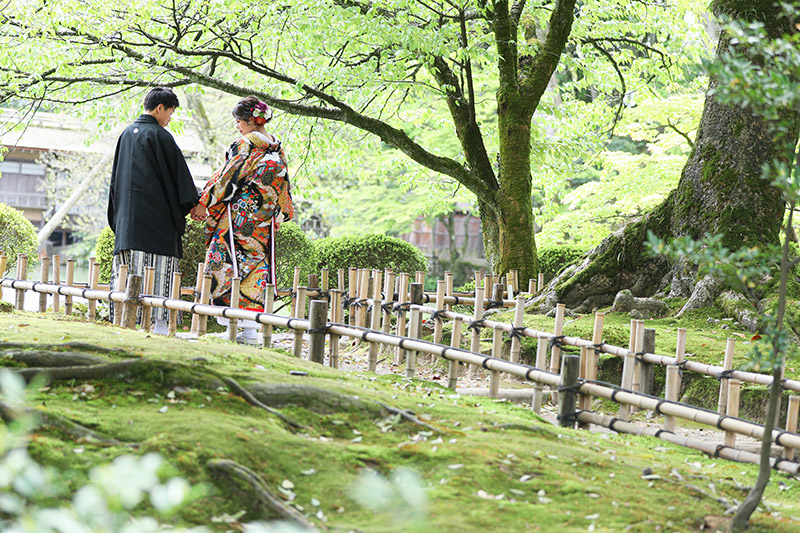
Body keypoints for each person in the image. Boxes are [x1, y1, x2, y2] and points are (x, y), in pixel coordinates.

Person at [197, 95, 293, 343]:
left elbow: (227, 177)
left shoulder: (246, 144)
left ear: (251, 121)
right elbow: (284, 184)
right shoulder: (276, 146)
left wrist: (205, 200)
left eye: (239, 121)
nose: (237, 126)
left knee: (225, 262)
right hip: (263, 221)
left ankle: (230, 326)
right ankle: (250, 330)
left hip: (240, 216)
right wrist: (280, 212)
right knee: (256, 268)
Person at [107, 87, 203, 334]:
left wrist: (118, 217)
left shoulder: (126, 134)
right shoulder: (160, 136)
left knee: (128, 271)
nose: (169, 119)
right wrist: (193, 204)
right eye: (170, 113)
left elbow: (115, 181)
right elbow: (177, 175)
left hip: (127, 223)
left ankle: (124, 320)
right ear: (160, 108)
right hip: (155, 224)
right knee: (157, 273)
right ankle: (159, 324)